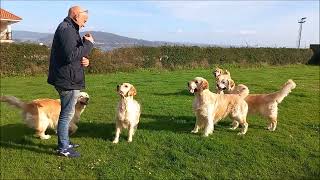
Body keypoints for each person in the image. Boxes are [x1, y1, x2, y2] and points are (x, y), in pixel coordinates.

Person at [47, 6, 94, 158]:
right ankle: (63, 148)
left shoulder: (70, 29)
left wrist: (84, 60)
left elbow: (73, 55)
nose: (85, 24)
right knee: (66, 115)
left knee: (68, 113)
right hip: (67, 80)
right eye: (84, 20)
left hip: (69, 77)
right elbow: (70, 55)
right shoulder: (67, 29)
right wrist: (88, 45)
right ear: (75, 14)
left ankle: (65, 142)